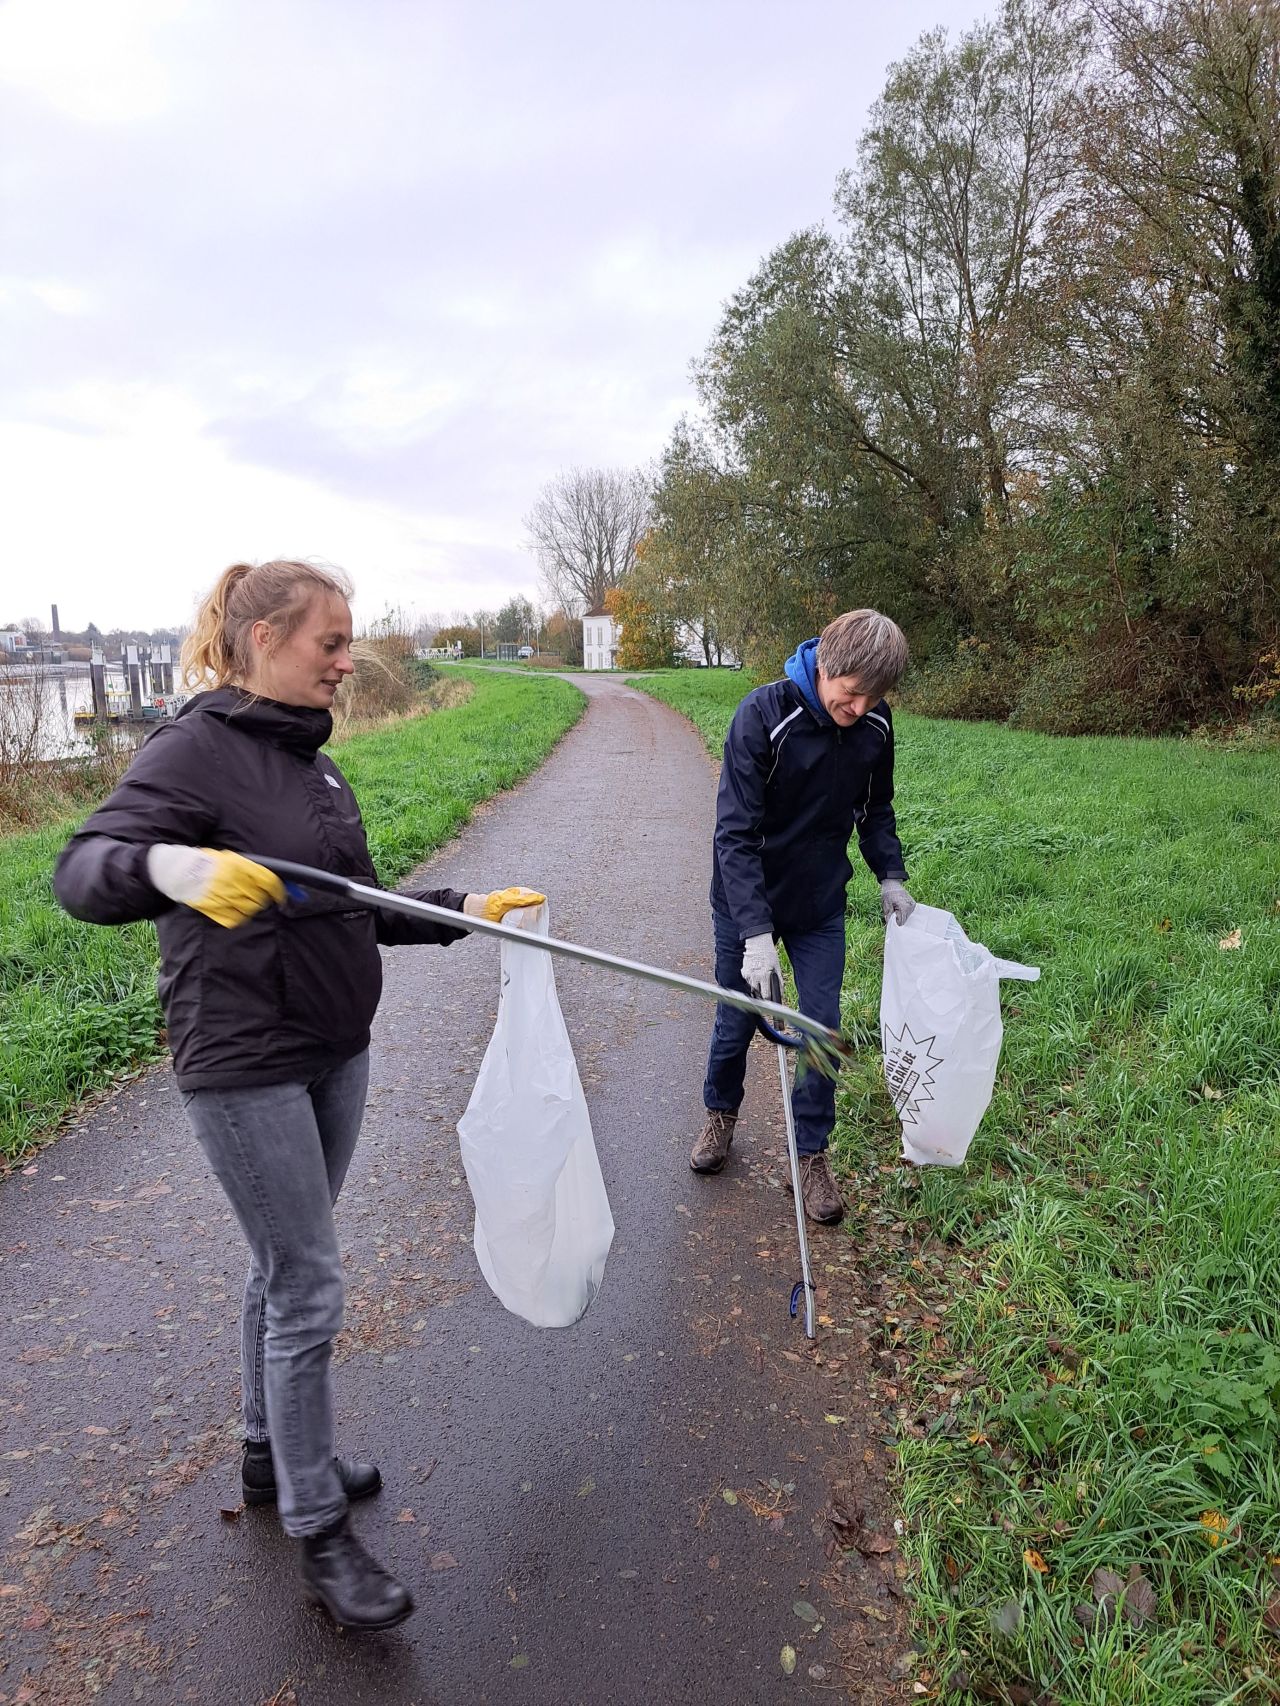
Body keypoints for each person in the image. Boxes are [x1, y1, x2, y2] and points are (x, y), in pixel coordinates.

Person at [54, 559, 543, 1633]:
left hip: (333, 1046)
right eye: (329, 640)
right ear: (264, 637)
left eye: (348, 639)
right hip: (245, 1059)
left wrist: (464, 904)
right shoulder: (192, 748)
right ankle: (319, 1529)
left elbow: (347, 906)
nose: (345, 659)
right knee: (308, 1281)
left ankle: (271, 1452)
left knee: (281, 1266)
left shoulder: (311, 766)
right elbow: (82, 867)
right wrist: (168, 870)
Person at [691, 609, 915, 1225]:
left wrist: (889, 874)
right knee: (738, 1016)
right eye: (852, 690)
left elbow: (875, 807)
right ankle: (720, 1114)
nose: (860, 704)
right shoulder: (763, 717)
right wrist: (754, 932)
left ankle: (810, 1153)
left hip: (819, 903)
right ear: (828, 666)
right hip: (746, 901)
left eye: (875, 695)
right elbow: (733, 835)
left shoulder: (874, 724)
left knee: (820, 1029)